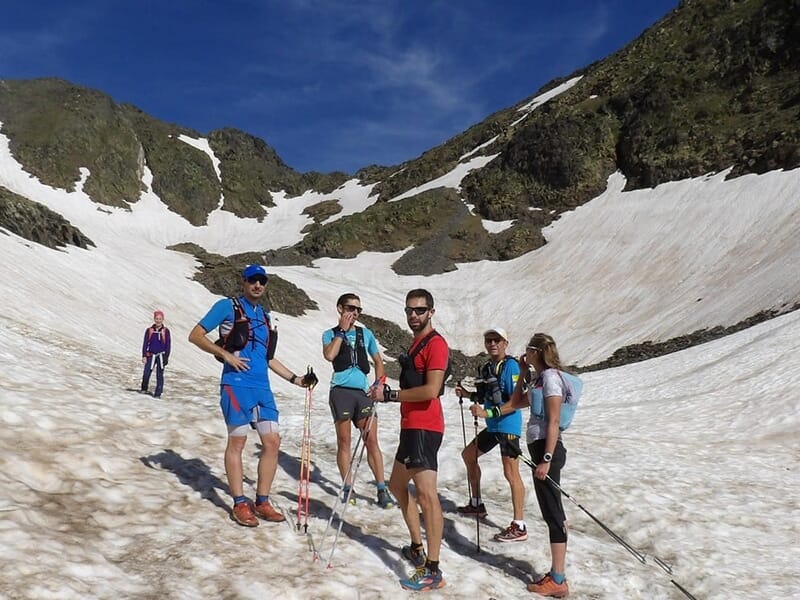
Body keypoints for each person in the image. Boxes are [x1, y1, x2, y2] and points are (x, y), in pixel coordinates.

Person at [188, 264, 317, 528]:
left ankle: (262, 501)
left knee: (272, 442)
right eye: (252, 280)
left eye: (262, 281)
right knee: (237, 442)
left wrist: (296, 380)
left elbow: (268, 358)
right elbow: (196, 335)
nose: (258, 285)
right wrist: (225, 355)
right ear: (244, 282)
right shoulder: (227, 306)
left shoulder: (266, 316)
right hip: (235, 386)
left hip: (262, 388)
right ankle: (239, 503)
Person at [372, 288, 449, 592]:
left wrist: (390, 395)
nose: (413, 316)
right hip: (411, 427)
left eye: (419, 310)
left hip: (425, 428)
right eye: (409, 310)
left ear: (431, 311)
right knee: (395, 485)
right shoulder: (418, 342)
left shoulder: (436, 344)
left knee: (427, 496)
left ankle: (433, 569)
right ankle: (417, 546)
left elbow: (431, 390)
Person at [507, 333, 573, 598]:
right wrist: (523, 372)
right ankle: (556, 575)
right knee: (550, 510)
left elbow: (554, 421)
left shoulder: (551, 379)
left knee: (553, 512)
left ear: (536, 351)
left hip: (549, 450)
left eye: (528, 350)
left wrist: (546, 459)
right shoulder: (538, 379)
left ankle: (558, 579)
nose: (525, 353)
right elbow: (516, 401)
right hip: (542, 448)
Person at [322, 293, 395, 508]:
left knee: (371, 440)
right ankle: (348, 487)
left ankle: (382, 488)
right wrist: (342, 331)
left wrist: (379, 383)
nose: (354, 313)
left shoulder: (366, 334)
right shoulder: (329, 334)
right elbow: (329, 355)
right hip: (340, 391)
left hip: (363, 393)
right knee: (344, 441)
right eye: (350, 308)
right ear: (340, 308)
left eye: (358, 309)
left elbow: (378, 361)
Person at [458, 326, 526, 542]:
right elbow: (486, 395)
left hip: (508, 426)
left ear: (505, 343)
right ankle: (477, 504)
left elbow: (515, 402)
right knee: (469, 455)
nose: (492, 344)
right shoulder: (488, 367)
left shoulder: (512, 367)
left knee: (511, 473)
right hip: (494, 426)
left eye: (497, 340)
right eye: (489, 340)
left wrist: (486, 412)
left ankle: (519, 525)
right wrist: (468, 395)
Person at [140, 310, 171, 398]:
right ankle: (144, 388)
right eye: (157, 318)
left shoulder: (166, 331)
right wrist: (144, 355)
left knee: (159, 375)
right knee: (146, 373)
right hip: (151, 355)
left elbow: (168, 344)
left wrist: (166, 357)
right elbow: (145, 343)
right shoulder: (149, 330)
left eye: (160, 319)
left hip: (161, 356)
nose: (158, 320)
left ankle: (158, 393)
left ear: (163, 319)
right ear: (154, 319)